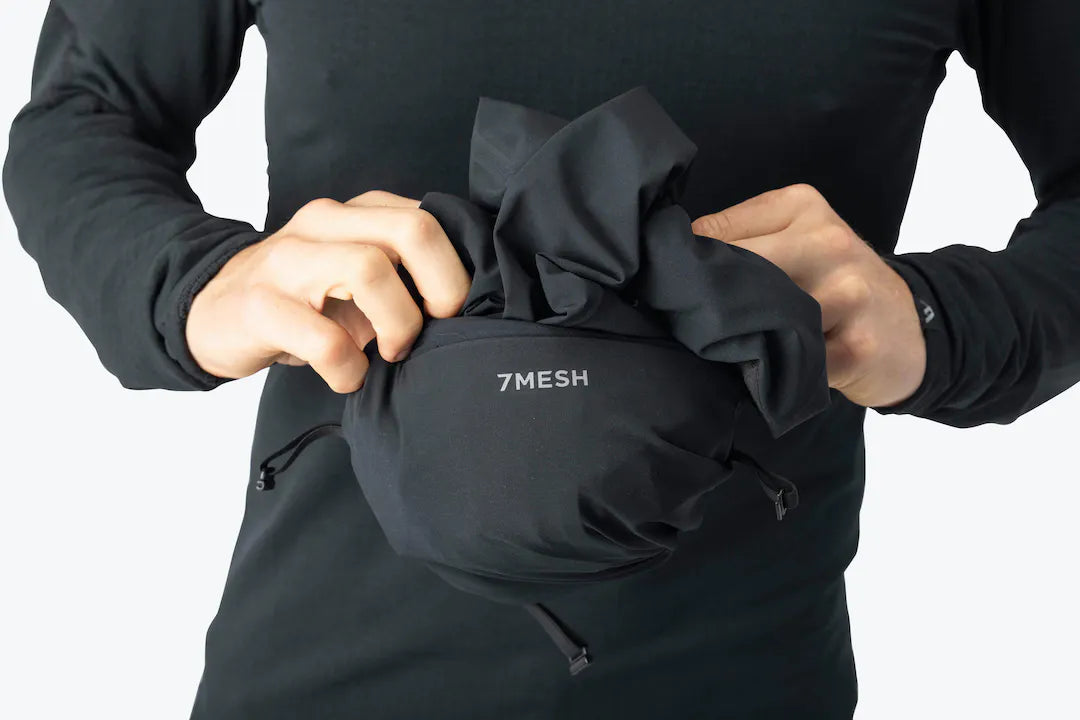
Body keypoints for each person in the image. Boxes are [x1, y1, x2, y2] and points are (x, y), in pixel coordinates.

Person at [4, 1, 1078, 718]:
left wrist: (943, 320)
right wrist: (190, 283)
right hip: (323, 673)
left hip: (744, 677)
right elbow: (85, 117)